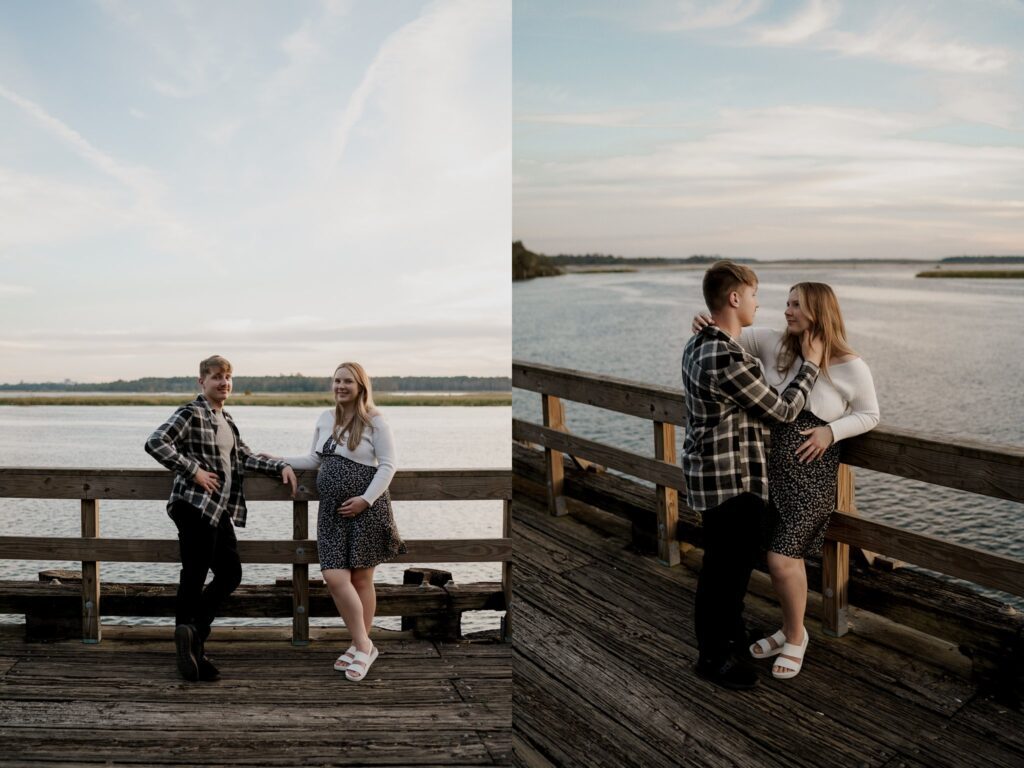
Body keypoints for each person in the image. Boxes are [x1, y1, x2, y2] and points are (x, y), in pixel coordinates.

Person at [693, 282, 879, 680]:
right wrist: (702, 321)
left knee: (781, 559)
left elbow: (870, 414)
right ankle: (786, 628)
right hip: (768, 474)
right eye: (787, 303)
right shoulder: (773, 343)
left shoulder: (850, 363)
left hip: (811, 478)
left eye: (796, 305)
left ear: (819, 311)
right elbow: (727, 331)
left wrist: (832, 432)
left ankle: (796, 636)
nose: (786, 311)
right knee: (775, 559)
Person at [681, 261, 823, 690]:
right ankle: (715, 658)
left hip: (714, 474)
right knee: (725, 576)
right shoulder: (724, 355)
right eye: (756, 294)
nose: (762, 303)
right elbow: (782, 411)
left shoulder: (700, 343)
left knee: (722, 570)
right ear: (735, 298)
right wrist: (811, 365)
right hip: (731, 481)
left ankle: (729, 638)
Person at [145, 355, 298, 682]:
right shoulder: (191, 412)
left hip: (218, 508)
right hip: (193, 504)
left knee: (230, 573)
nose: (224, 383)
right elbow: (155, 442)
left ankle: (192, 635)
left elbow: (245, 456)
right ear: (202, 381)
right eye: (216, 377)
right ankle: (193, 650)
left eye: (228, 377)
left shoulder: (226, 418)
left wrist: (281, 465)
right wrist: (194, 470)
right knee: (195, 574)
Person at [282, 362, 406, 682]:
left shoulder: (376, 421)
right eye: (336, 380)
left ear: (361, 386)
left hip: (366, 508)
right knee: (335, 577)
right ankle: (365, 645)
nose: (340, 386)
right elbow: (313, 460)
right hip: (332, 512)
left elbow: (389, 465)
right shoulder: (326, 418)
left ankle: (359, 646)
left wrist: (366, 499)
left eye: (347, 381)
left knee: (362, 580)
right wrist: (277, 460)